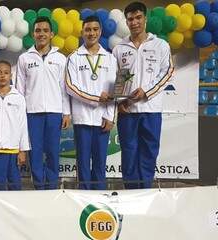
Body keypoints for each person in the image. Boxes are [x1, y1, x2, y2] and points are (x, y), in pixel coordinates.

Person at [112, 1, 174, 189]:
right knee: (129, 154)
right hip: (127, 112)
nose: (134, 22)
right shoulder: (119, 48)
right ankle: (131, 193)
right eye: (130, 19)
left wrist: (146, 92)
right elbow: (118, 77)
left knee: (148, 153)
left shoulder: (160, 45)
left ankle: (145, 191)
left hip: (151, 109)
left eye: (138, 17)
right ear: (126, 22)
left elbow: (168, 72)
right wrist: (119, 101)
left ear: (145, 19)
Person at [16, 16, 71, 189]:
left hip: (54, 112)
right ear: (33, 34)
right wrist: (20, 115)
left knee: (53, 151)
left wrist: (66, 112)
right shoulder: (24, 58)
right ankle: (39, 186)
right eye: (38, 31)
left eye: (45, 31)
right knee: (36, 153)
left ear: (52, 34)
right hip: (32, 113)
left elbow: (64, 88)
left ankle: (52, 186)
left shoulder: (61, 58)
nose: (42, 34)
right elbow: (19, 90)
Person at [66, 15, 117, 190]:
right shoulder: (74, 57)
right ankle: (84, 199)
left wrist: (110, 116)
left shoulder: (110, 58)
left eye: (95, 29)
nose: (91, 33)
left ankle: (100, 198)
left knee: (100, 163)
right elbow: (71, 88)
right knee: (82, 163)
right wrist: (97, 98)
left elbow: (114, 91)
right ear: (82, 32)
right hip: (82, 119)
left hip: (102, 119)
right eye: (88, 29)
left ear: (100, 32)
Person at [0, 60, 30, 190]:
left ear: (11, 75)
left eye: (6, 73)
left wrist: (23, 150)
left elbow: (23, 124)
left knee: (15, 183)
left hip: (14, 149)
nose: (2, 75)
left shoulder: (18, 97)